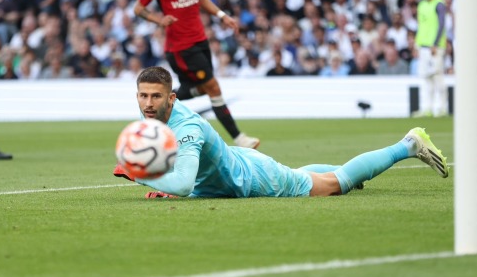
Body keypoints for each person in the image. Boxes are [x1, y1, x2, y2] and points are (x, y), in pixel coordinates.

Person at [114, 66, 448, 199]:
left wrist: (142, 175)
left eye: (156, 96)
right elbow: (184, 178)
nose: (148, 102)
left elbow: (185, 184)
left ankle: (408, 144)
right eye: (143, 95)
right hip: (227, 176)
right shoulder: (155, 118)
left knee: (333, 186)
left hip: (253, 179)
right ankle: (353, 170)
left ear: (171, 97)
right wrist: (167, 186)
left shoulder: (186, 126)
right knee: (302, 174)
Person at [133, 0, 260, 149]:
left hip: (200, 40)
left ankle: (160, 103)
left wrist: (222, 15)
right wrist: (158, 20)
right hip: (180, 47)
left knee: (200, 89)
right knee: (212, 86)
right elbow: (138, 9)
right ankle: (239, 138)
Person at [415, 0, 448, 117]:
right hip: (423, 45)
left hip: (435, 47)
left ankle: (442, 108)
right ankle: (428, 108)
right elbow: (421, 26)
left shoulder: (439, 4)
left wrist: (435, 43)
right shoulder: (421, 4)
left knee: (437, 76)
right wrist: (416, 44)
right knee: (427, 78)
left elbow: (441, 24)